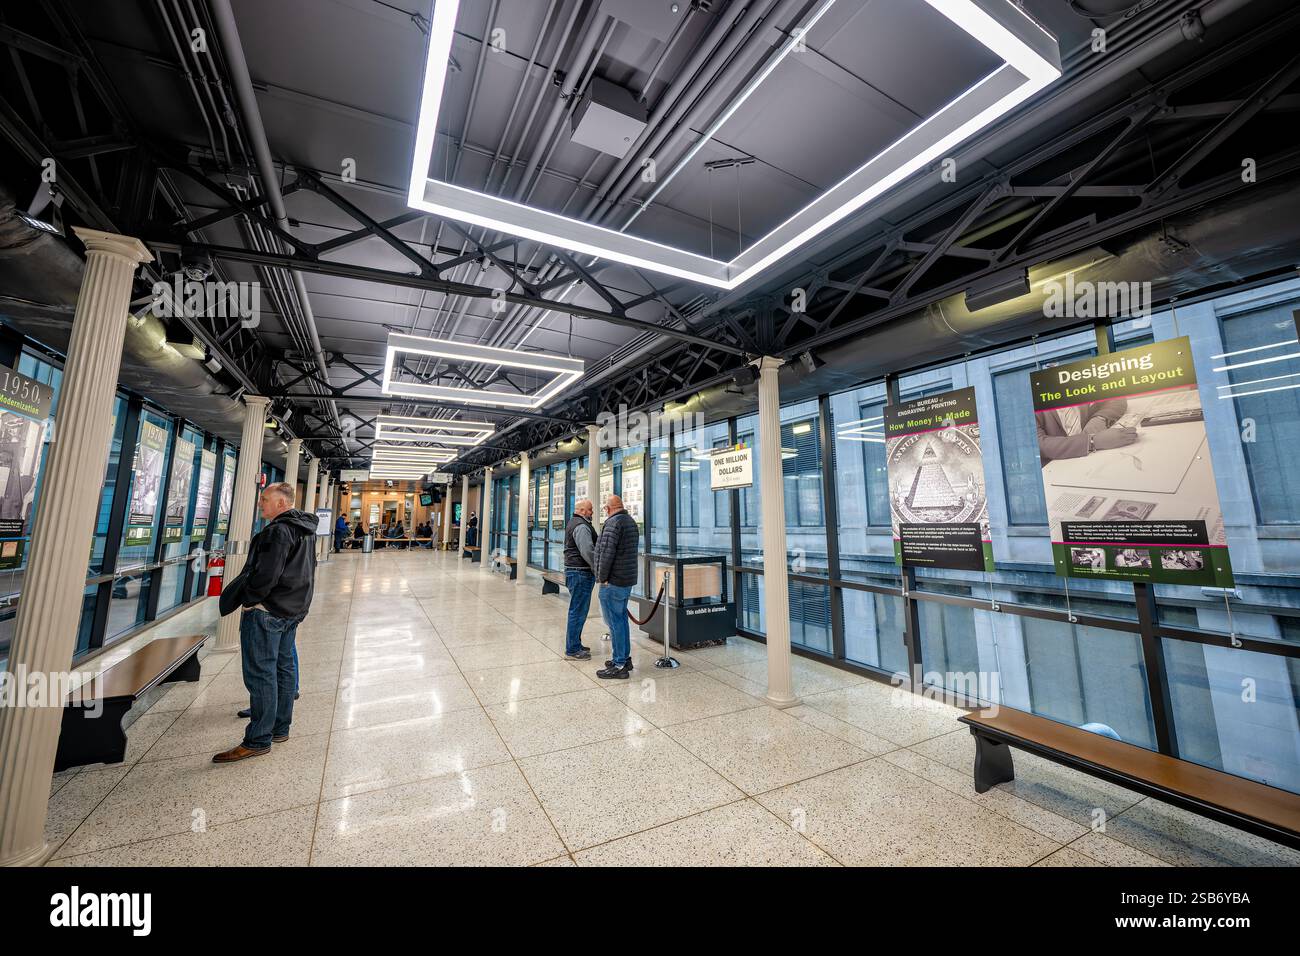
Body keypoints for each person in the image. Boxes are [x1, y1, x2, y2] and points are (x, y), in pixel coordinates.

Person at [214, 482, 317, 762]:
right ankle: (279, 727)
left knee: (262, 674)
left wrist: (250, 600)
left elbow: (265, 576)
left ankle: (258, 738)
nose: (261, 503)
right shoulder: (305, 530)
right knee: (284, 668)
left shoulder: (278, 531)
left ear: (282, 504)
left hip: (268, 612)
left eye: (265, 499)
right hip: (292, 609)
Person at [592, 493, 639, 679]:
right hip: (625, 580)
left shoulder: (612, 523)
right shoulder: (630, 521)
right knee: (620, 620)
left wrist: (602, 578)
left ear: (608, 508)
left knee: (614, 622)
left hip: (613, 581)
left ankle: (619, 664)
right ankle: (624, 658)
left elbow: (606, 553)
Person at [1037, 398, 1135, 465]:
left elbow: (1117, 399)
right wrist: (1093, 441)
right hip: (1055, 468)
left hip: (1095, 458)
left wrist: (1099, 418)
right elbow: (1039, 444)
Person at [562, 499, 597, 661]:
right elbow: (588, 551)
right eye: (590, 510)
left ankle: (575, 643)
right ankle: (573, 649)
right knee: (578, 611)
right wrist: (598, 568)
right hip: (580, 573)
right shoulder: (581, 526)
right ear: (582, 511)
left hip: (575, 572)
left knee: (578, 610)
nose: (592, 513)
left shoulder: (573, 522)